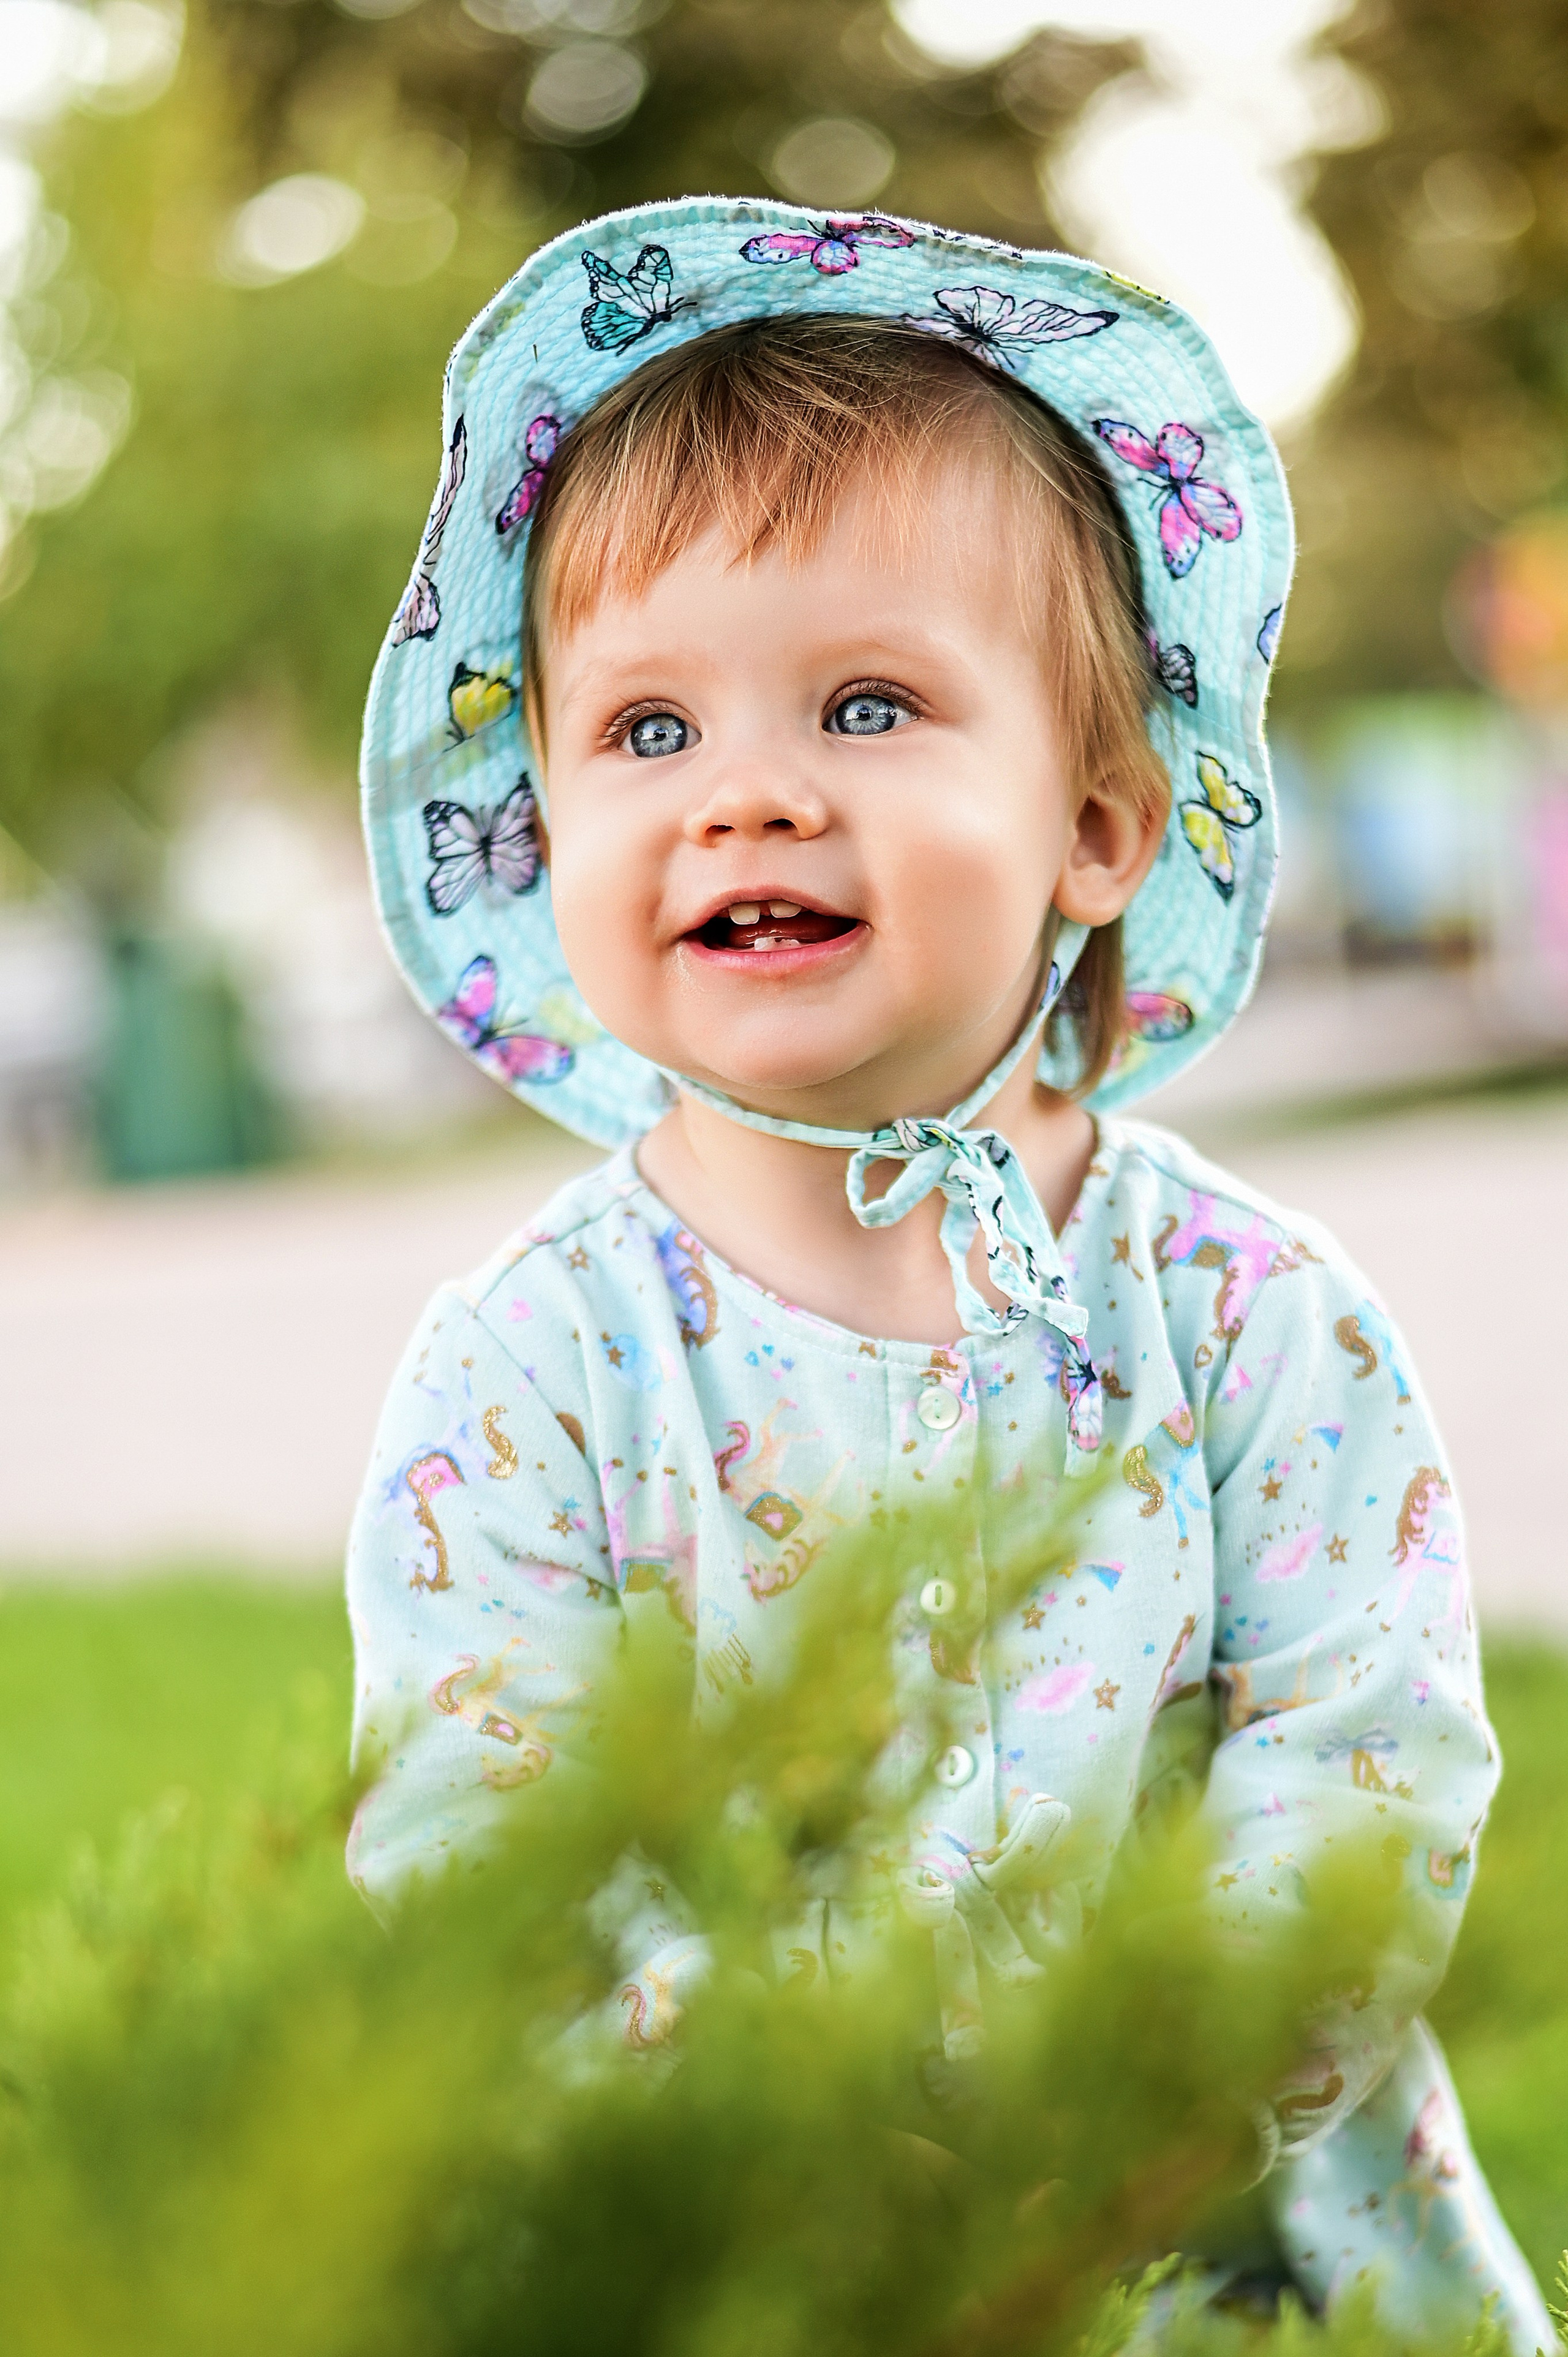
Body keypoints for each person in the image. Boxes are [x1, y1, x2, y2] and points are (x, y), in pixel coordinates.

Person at [347, 197, 1549, 2343]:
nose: (751, 801)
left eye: (871, 705)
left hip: (1228, 2234)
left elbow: (1363, 1744)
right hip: (764, 2253)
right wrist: (759, 2108)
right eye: (647, 734)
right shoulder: (535, 1370)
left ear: (1099, 820)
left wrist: (1155, 2086)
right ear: (539, 819)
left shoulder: (1248, 1316)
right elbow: (479, 1823)